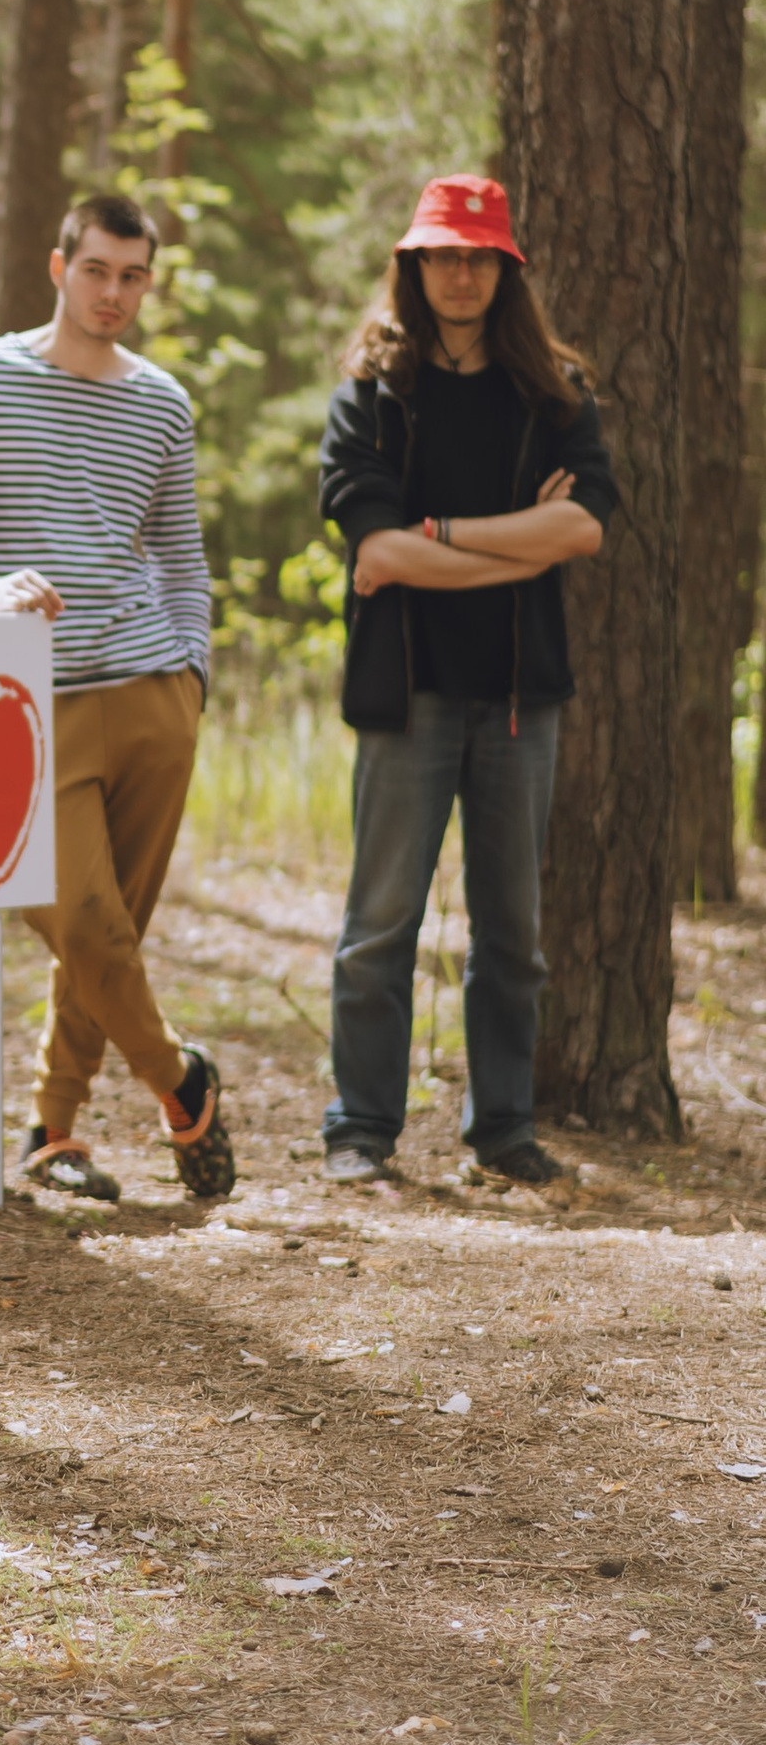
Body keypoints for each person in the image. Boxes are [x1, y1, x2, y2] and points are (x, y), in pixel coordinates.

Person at [0, 189, 231, 1206]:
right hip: (15, 706)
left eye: (133, 276)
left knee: (114, 925)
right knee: (85, 923)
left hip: (151, 694)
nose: (113, 293)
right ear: (56, 266)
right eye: (96, 270)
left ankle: (56, 1132)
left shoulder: (162, 401)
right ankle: (181, 1081)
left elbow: (180, 558)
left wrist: (194, 675)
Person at [316, 174, 614, 1188]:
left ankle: (502, 1131)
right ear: (412, 265)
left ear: (505, 270)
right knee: (380, 923)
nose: (459, 273)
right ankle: (360, 1128)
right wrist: (515, 548)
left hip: (521, 693)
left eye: (478, 256)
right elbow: (375, 553)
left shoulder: (556, 392)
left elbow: (581, 526)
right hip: (407, 692)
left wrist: (439, 533)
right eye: (442, 255)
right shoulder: (371, 389)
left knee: (513, 933)